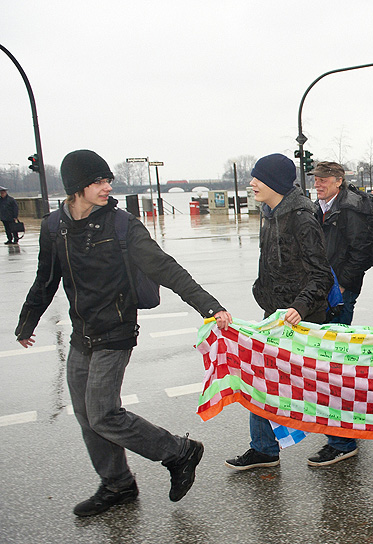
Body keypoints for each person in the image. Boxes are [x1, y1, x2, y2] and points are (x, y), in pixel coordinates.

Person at [15, 149, 233, 517]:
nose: (107, 187)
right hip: (82, 333)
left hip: (116, 332)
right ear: (76, 187)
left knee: (103, 414)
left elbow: (166, 268)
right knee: (87, 416)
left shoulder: (121, 225)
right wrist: (28, 320)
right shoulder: (55, 227)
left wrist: (209, 306)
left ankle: (179, 451)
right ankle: (117, 484)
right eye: (98, 181)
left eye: (107, 180)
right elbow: (46, 278)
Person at [225, 154, 336, 469]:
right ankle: (263, 449)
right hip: (274, 315)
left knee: (317, 386)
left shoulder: (301, 218)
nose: (252, 183)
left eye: (257, 178)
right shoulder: (269, 213)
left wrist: (299, 307)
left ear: (274, 182)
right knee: (259, 380)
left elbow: (321, 275)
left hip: (300, 318)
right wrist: (261, 291)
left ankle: (342, 441)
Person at [309, 161, 373, 463]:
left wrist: (344, 285)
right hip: (325, 288)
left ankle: (343, 441)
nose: (318, 183)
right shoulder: (323, 206)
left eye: (324, 179)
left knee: (334, 364)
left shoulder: (350, 209)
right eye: (316, 178)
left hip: (339, 291)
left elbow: (360, 252)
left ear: (338, 181)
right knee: (332, 362)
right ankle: (347, 429)